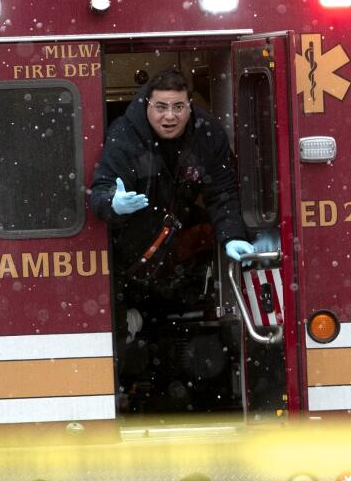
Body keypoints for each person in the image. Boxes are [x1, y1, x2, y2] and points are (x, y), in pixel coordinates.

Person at [90, 67, 254, 354]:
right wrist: (113, 203)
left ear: (190, 106)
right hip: (125, 256)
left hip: (174, 252)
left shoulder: (208, 134)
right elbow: (102, 189)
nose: (170, 116)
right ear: (147, 105)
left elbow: (223, 193)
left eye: (178, 107)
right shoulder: (126, 135)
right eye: (161, 107)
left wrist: (231, 236)